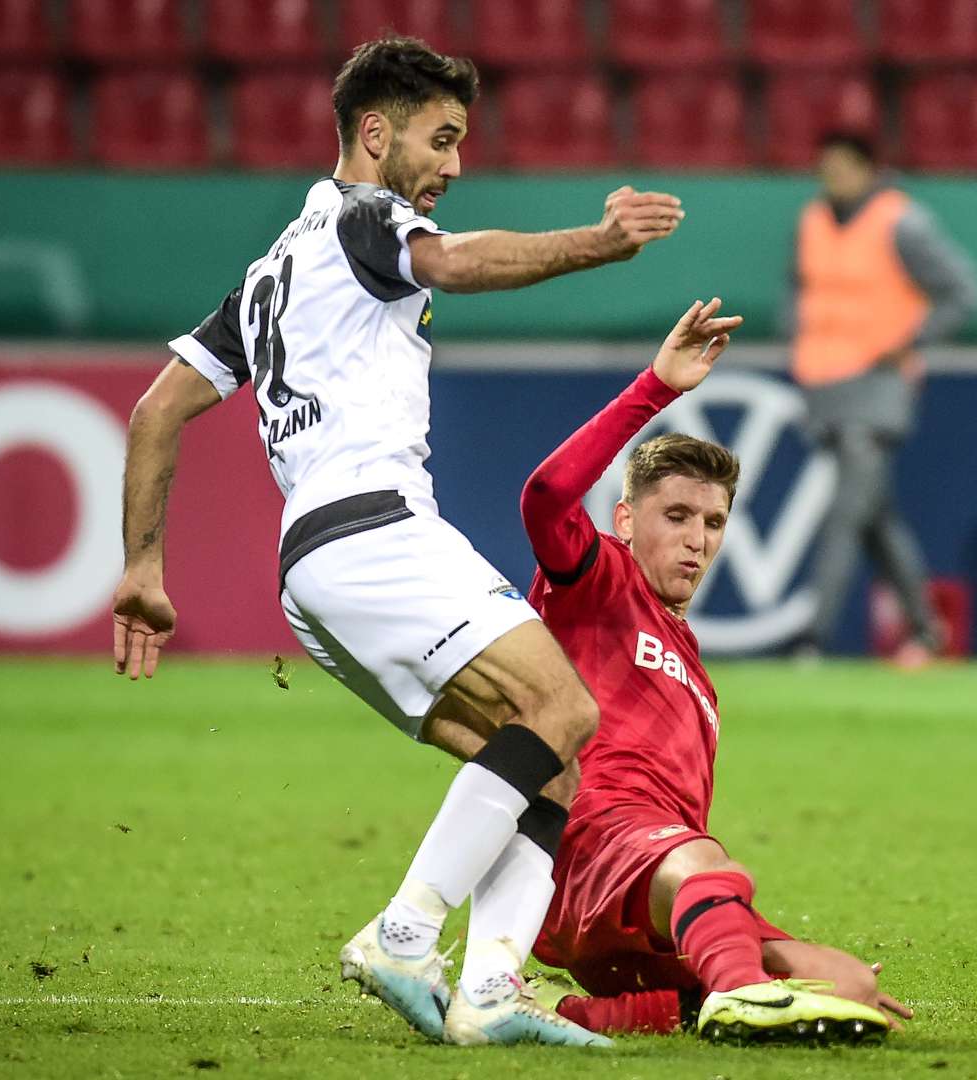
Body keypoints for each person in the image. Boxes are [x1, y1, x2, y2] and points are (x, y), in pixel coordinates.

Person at [110, 36, 686, 1048]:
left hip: (313, 571)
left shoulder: (270, 272)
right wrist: (598, 243)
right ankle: (405, 936)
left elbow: (157, 410)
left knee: (551, 760)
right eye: (442, 137)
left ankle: (494, 990)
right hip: (373, 528)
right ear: (374, 133)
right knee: (563, 704)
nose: (455, 165)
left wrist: (143, 568)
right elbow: (457, 263)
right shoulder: (365, 219)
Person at [515, 297, 914, 1043]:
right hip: (587, 844)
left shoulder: (697, 674)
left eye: (713, 522)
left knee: (847, 984)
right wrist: (656, 389)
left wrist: (753, 927)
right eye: (676, 517)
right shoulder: (597, 580)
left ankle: (563, 1011)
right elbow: (543, 497)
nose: (698, 540)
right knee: (706, 863)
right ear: (627, 518)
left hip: (648, 887)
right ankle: (739, 995)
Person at [781, 133, 977, 666]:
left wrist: (909, 343)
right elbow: (798, 290)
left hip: (876, 387)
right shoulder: (812, 220)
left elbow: (964, 291)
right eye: (826, 169)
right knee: (876, 518)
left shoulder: (902, 222)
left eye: (843, 168)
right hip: (824, 383)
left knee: (848, 510)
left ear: (870, 169)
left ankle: (813, 637)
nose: (833, 179)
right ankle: (927, 629)